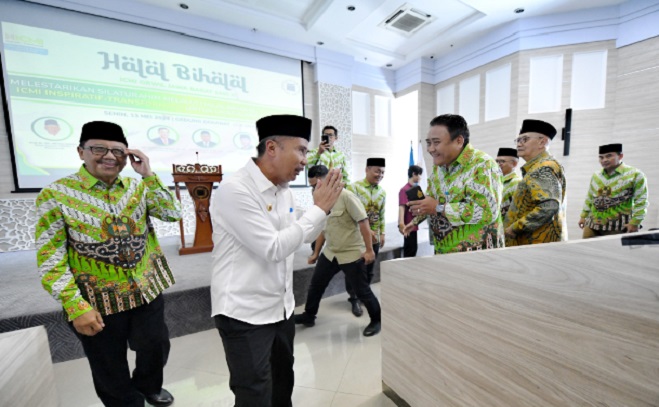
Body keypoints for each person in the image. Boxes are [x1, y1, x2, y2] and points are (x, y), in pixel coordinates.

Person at [35, 120, 181, 407]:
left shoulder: (138, 188)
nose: (110, 156)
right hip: (96, 298)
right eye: (99, 149)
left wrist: (149, 174)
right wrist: (75, 306)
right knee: (108, 365)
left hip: (145, 287)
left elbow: (172, 213)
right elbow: (50, 258)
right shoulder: (55, 195)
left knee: (156, 344)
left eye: (119, 151)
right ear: (81, 152)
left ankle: (148, 386)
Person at [209, 115, 344, 407]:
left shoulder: (283, 190)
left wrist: (324, 210)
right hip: (244, 313)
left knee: (283, 385)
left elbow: (298, 232)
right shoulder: (236, 190)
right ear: (272, 148)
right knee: (254, 395)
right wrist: (320, 209)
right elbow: (273, 247)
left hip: (280, 308)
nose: (305, 160)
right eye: (301, 150)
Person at [295, 165, 381, 337]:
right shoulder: (320, 200)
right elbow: (323, 228)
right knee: (316, 285)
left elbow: (363, 223)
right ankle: (309, 315)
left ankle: (376, 320)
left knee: (362, 290)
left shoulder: (347, 196)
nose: (313, 189)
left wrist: (369, 250)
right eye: (312, 186)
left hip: (351, 253)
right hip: (331, 252)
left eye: (315, 185)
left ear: (325, 181)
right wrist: (315, 253)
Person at [403, 114, 504, 254]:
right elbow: (431, 199)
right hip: (443, 252)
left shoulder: (482, 165)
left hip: (477, 257)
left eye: (436, 142)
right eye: (428, 143)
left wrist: (438, 208)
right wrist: (415, 221)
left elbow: (487, 212)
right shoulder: (439, 168)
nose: (430, 149)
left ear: (458, 141)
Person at [505, 119, 567, 246]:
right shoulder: (538, 166)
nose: (519, 144)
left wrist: (515, 228)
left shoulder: (543, 167)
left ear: (542, 142)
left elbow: (549, 206)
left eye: (525, 139)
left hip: (536, 243)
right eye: (518, 140)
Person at [578, 143, 649, 238]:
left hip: (620, 227)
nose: (604, 160)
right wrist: (583, 216)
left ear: (620, 156)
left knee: (613, 253)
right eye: (601, 157)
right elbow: (590, 197)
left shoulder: (635, 174)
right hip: (592, 225)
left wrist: (635, 222)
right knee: (585, 251)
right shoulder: (596, 175)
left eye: (609, 156)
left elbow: (641, 201)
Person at [345, 158, 385, 317]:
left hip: (374, 239)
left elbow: (382, 213)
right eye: (377, 171)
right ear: (367, 169)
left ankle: (364, 294)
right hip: (357, 237)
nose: (380, 175)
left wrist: (382, 232)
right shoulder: (353, 188)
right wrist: (367, 229)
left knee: (369, 270)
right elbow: (350, 213)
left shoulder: (382, 192)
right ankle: (353, 298)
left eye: (382, 172)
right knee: (355, 270)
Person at [398, 165, 423, 258]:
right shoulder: (404, 189)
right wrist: (401, 223)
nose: (420, 177)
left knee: (414, 249)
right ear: (414, 174)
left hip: (415, 224)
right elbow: (402, 207)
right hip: (408, 225)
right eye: (419, 175)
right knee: (409, 250)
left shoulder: (417, 189)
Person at [496, 147, 521, 221]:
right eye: (497, 161)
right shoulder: (495, 182)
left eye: (502, 162)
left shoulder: (517, 183)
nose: (498, 165)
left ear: (514, 164)